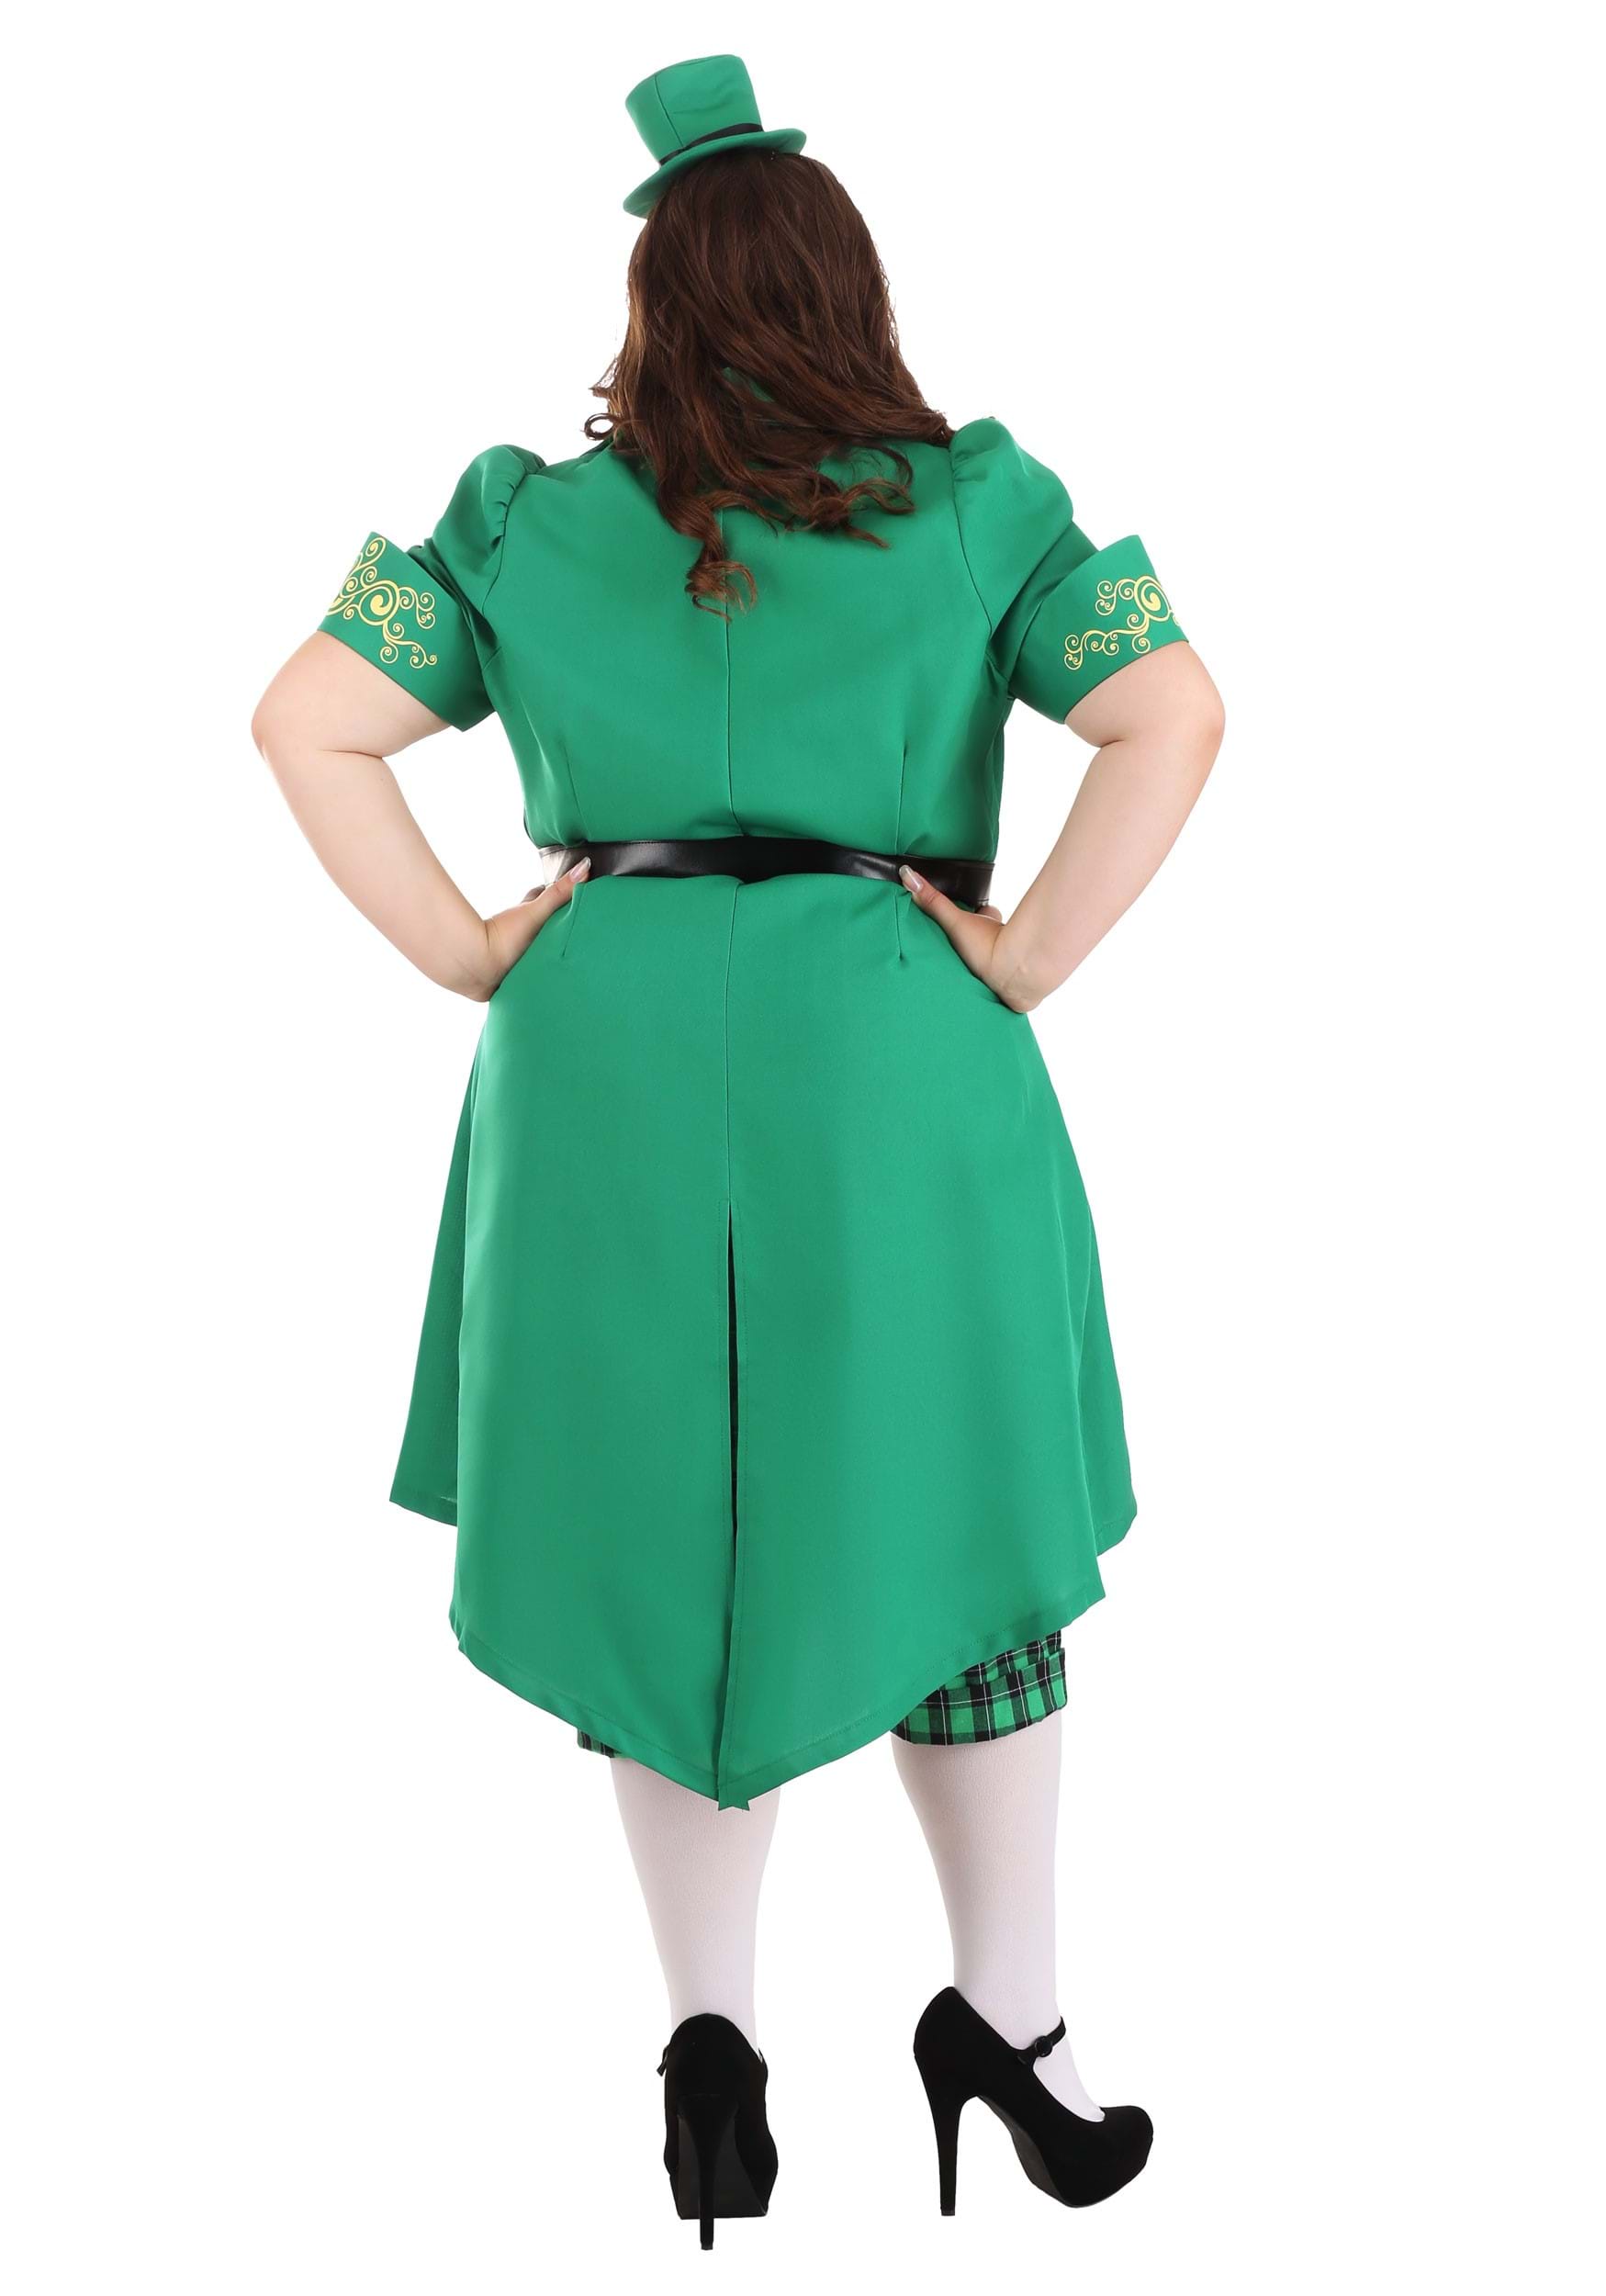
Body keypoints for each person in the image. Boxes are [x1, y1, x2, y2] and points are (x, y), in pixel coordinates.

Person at [252, 51, 1224, 2247]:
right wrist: (1024, 950)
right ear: (843, 291)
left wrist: (471, 947)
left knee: (651, 1542)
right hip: (895, 1071)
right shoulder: (971, 507)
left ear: (651, 305)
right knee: (956, 1513)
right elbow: (1173, 706)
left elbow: (303, 718)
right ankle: (1011, 2016)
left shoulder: (522, 522)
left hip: (591, 1072)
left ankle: (709, 2046)